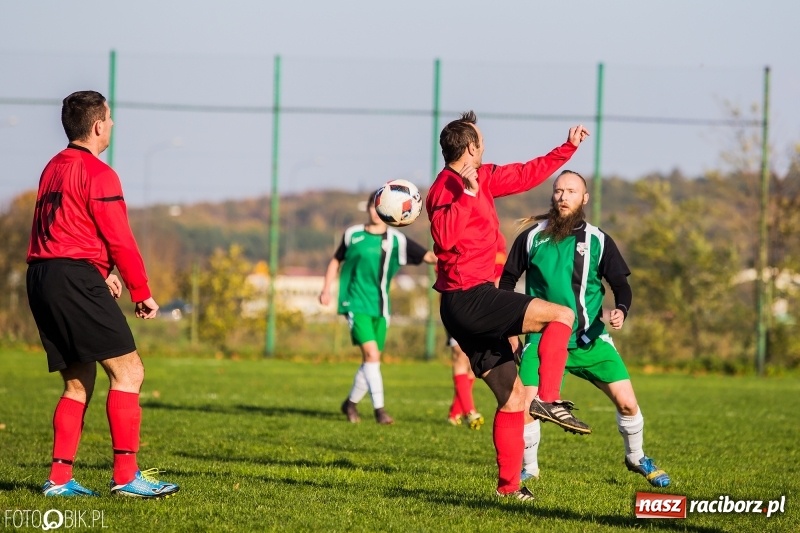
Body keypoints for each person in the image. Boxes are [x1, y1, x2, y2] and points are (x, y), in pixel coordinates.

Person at [426, 110, 591, 501]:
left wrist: (567, 148)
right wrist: (466, 195)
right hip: (468, 298)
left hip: (470, 301)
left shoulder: (482, 177)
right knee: (562, 315)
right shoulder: (445, 188)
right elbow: (445, 239)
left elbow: (525, 174)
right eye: (481, 139)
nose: (486, 144)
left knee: (514, 398)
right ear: (471, 147)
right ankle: (548, 399)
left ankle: (509, 488)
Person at [26, 90, 179, 499]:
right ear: (97, 126)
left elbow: (66, 228)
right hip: (72, 277)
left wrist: (99, 271)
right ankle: (127, 477)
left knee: (79, 382)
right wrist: (141, 291)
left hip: (42, 275)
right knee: (129, 372)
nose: (112, 124)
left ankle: (59, 480)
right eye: (109, 118)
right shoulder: (99, 173)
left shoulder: (53, 167)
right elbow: (120, 237)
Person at [499, 169, 671, 487]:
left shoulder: (597, 240)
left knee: (628, 403)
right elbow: (507, 281)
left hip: (589, 339)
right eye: (558, 191)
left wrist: (621, 309)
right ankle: (530, 468)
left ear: (584, 198)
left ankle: (636, 457)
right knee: (525, 406)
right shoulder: (532, 237)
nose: (563, 197)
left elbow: (621, 284)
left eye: (571, 192)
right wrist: (510, 327)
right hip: (542, 339)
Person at [319, 191, 436, 425]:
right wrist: (326, 289)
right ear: (369, 209)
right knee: (372, 355)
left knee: (371, 361)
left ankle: (350, 404)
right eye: (373, 206)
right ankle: (380, 410)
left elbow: (429, 257)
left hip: (381, 307)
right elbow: (336, 260)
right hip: (355, 303)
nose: (375, 211)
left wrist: (455, 253)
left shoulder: (396, 240)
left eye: (379, 206)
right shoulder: (353, 234)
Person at [446, 236, 507, 430]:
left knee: (471, 360)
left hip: (483, 307)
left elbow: (498, 276)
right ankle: (469, 411)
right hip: (457, 303)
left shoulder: (496, 238)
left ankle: (455, 412)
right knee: (459, 355)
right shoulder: (453, 232)